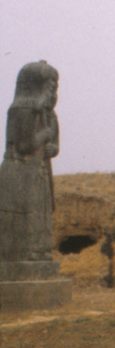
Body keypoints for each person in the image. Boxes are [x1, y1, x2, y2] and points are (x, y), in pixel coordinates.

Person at [0, 61, 59, 263]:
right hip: (21, 173)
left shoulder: (48, 115)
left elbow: (55, 145)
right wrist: (45, 134)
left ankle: (41, 251)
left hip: (40, 171)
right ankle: (26, 253)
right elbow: (25, 145)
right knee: (25, 217)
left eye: (55, 88)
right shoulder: (21, 110)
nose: (52, 93)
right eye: (49, 87)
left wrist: (53, 148)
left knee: (41, 216)